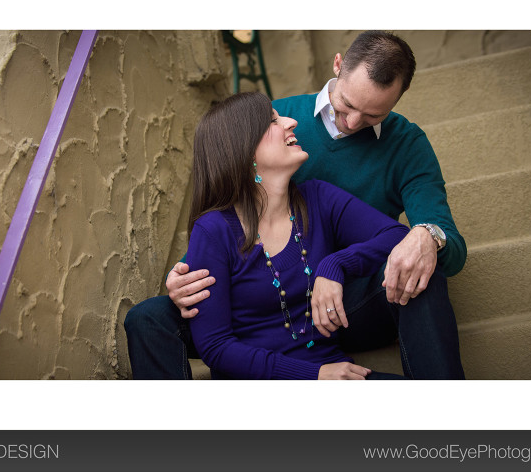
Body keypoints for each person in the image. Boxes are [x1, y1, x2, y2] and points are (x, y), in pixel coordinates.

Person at [125, 31, 465, 379]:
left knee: (418, 265)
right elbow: (226, 226)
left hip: (350, 298)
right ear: (337, 66)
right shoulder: (278, 118)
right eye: (346, 105)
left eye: (373, 116)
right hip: (263, 309)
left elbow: (442, 243)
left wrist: (424, 237)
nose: (351, 124)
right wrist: (183, 274)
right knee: (149, 317)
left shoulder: (398, 150)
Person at [185, 92, 410, 379]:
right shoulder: (213, 231)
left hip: (338, 375)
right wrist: (313, 376)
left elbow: (396, 235)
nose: (291, 122)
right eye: (273, 121)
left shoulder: (316, 198)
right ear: (244, 148)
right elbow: (216, 347)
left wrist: (335, 265)